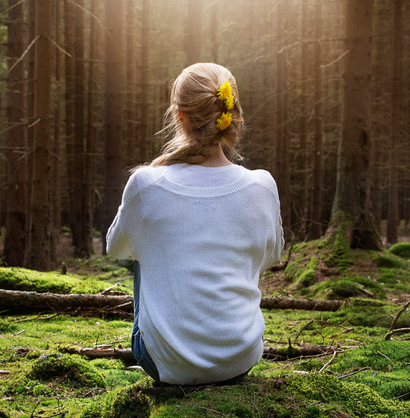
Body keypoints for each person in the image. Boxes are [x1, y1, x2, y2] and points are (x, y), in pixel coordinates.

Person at [106, 62, 284, 386]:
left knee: (141, 251)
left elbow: (116, 248)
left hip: (163, 364)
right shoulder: (262, 185)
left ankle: (176, 346)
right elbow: (271, 257)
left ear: (180, 116)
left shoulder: (146, 184)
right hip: (240, 359)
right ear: (233, 113)